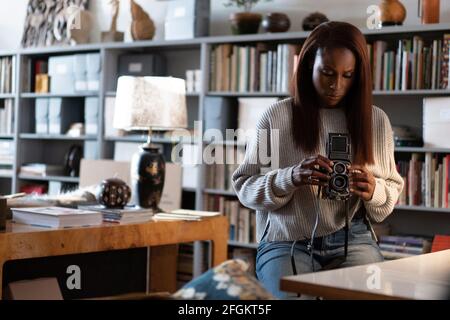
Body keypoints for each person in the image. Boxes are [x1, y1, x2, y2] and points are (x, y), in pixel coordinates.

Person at [231, 21, 404, 299]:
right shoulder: (277, 116)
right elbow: (244, 188)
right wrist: (290, 178)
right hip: (286, 242)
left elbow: (388, 198)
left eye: (348, 75)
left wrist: (374, 190)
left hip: (354, 239)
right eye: (327, 73)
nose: (337, 85)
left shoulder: (375, 121)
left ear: (359, 76)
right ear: (308, 64)